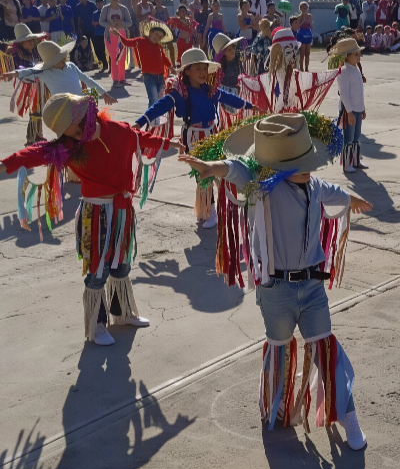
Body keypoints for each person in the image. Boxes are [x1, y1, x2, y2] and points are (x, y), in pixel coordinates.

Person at [178, 113, 372, 447]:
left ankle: (348, 416)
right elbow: (236, 169)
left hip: (312, 288)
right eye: (298, 162)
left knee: (326, 350)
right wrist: (214, 168)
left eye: (308, 160)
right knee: (279, 352)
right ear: (276, 164)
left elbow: (336, 193)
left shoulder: (315, 186)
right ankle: (278, 407)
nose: (307, 168)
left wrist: (353, 200)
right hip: (277, 291)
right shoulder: (262, 187)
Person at [0, 93, 185, 344]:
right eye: (66, 132)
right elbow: (33, 154)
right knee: (98, 270)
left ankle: (122, 313)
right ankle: (96, 324)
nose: (74, 134)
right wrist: (5, 164)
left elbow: (140, 138)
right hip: (95, 213)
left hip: (122, 210)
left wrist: (169, 143)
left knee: (122, 265)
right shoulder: (68, 148)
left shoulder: (118, 130)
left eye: (74, 127)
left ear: (85, 116)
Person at [135, 48, 253, 228]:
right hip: (193, 138)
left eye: (205, 69)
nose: (203, 72)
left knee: (213, 173)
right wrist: (141, 121)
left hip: (212, 135)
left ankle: (209, 211)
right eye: (198, 69)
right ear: (187, 71)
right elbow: (159, 106)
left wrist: (250, 106)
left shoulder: (211, 90)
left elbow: (230, 98)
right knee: (202, 174)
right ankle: (209, 212)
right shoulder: (180, 93)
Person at [330, 38, 367, 173]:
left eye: (359, 54)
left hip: (358, 109)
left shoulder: (356, 69)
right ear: (347, 56)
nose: (359, 56)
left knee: (356, 136)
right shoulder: (344, 71)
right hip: (349, 111)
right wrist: (349, 112)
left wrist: (362, 108)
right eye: (356, 54)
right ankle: (347, 164)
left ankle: (356, 161)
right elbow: (344, 94)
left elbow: (359, 92)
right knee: (349, 138)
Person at [122, 23, 174, 108]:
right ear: (151, 32)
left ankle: (158, 116)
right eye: (156, 34)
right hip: (149, 77)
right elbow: (127, 42)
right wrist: (119, 35)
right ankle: (150, 116)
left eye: (160, 37)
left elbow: (164, 59)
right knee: (153, 99)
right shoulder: (141, 41)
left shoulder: (159, 47)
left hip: (160, 77)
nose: (157, 37)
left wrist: (171, 68)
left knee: (160, 99)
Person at [100, 0, 133, 87]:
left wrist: (121, 23)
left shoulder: (123, 9)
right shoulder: (106, 8)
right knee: (114, 57)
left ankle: (122, 79)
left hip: (122, 34)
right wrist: (110, 25)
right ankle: (115, 80)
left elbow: (130, 23)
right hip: (110, 34)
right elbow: (101, 21)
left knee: (122, 57)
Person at [211, 32, 243, 97]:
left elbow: (242, 74)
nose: (232, 51)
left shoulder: (237, 60)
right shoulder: (220, 64)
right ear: (223, 53)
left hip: (236, 91)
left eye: (233, 47)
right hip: (224, 93)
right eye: (229, 50)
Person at [91, 0, 108, 71]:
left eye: (100, 2)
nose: (99, 3)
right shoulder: (95, 13)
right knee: (98, 49)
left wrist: (100, 23)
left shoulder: (107, 12)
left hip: (106, 33)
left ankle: (109, 64)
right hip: (98, 33)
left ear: (103, 3)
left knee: (108, 50)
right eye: (97, 2)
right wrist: (101, 22)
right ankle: (104, 63)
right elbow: (93, 23)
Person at [296, 1, 313, 71]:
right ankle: (301, 68)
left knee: (307, 53)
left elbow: (311, 26)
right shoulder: (299, 17)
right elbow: (297, 27)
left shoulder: (309, 16)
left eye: (306, 8)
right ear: (300, 9)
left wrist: (312, 33)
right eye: (303, 8)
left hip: (308, 34)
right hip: (301, 34)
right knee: (302, 53)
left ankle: (306, 68)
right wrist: (302, 21)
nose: (305, 9)